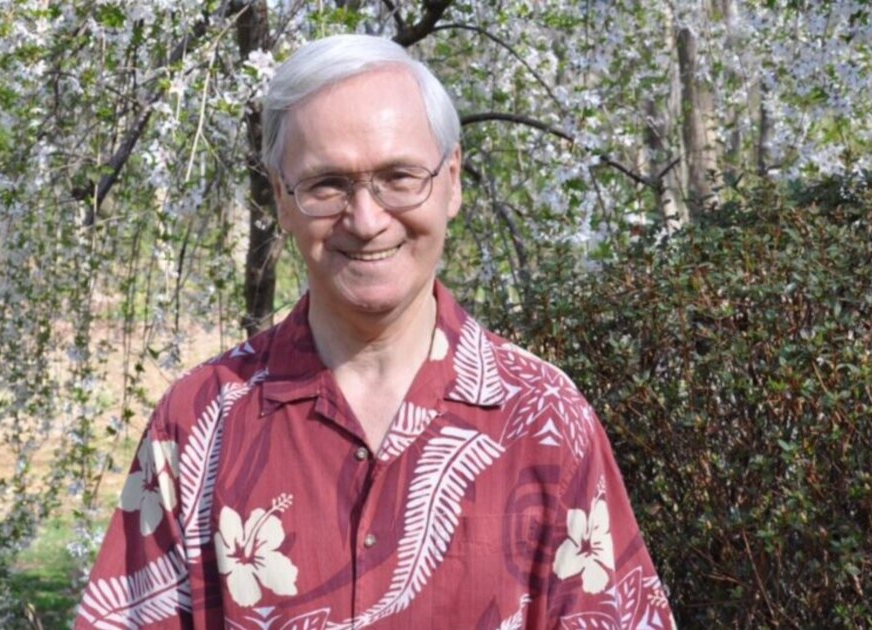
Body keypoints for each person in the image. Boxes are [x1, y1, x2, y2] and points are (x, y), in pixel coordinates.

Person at [76, 34, 674, 629]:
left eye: (399, 176)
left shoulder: (545, 419)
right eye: (327, 184)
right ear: (281, 198)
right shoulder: (198, 422)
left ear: (453, 180)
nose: (366, 220)